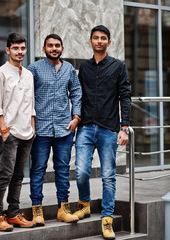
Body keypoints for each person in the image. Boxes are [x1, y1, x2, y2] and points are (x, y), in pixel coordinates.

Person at [73, 25, 131, 240]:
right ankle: (84, 204)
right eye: (95, 38)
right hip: (86, 128)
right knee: (81, 172)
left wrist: (124, 127)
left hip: (108, 129)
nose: (99, 41)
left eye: (103, 38)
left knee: (108, 176)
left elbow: (125, 97)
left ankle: (106, 219)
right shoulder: (84, 68)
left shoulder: (118, 67)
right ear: (90, 41)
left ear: (109, 42)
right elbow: (78, 96)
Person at [28, 34, 82, 226]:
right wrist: (30, 122)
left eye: (57, 45)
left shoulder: (68, 69)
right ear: (44, 49)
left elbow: (76, 92)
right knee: (38, 170)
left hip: (64, 129)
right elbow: (27, 96)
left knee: (62, 170)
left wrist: (76, 117)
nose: (54, 48)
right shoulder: (33, 69)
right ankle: (37, 211)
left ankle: (63, 209)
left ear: (62, 48)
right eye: (50, 45)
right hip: (41, 130)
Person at [0, 33, 36, 231]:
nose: (19, 52)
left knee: (18, 176)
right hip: (10, 132)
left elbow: (31, 103)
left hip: (27, 132)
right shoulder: (0, 73)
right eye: (15, 48)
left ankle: (13, 213)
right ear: (8, 50)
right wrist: (4, 130)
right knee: (5, 175)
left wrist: (33, 128)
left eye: (22, 48)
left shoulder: (29, 74)